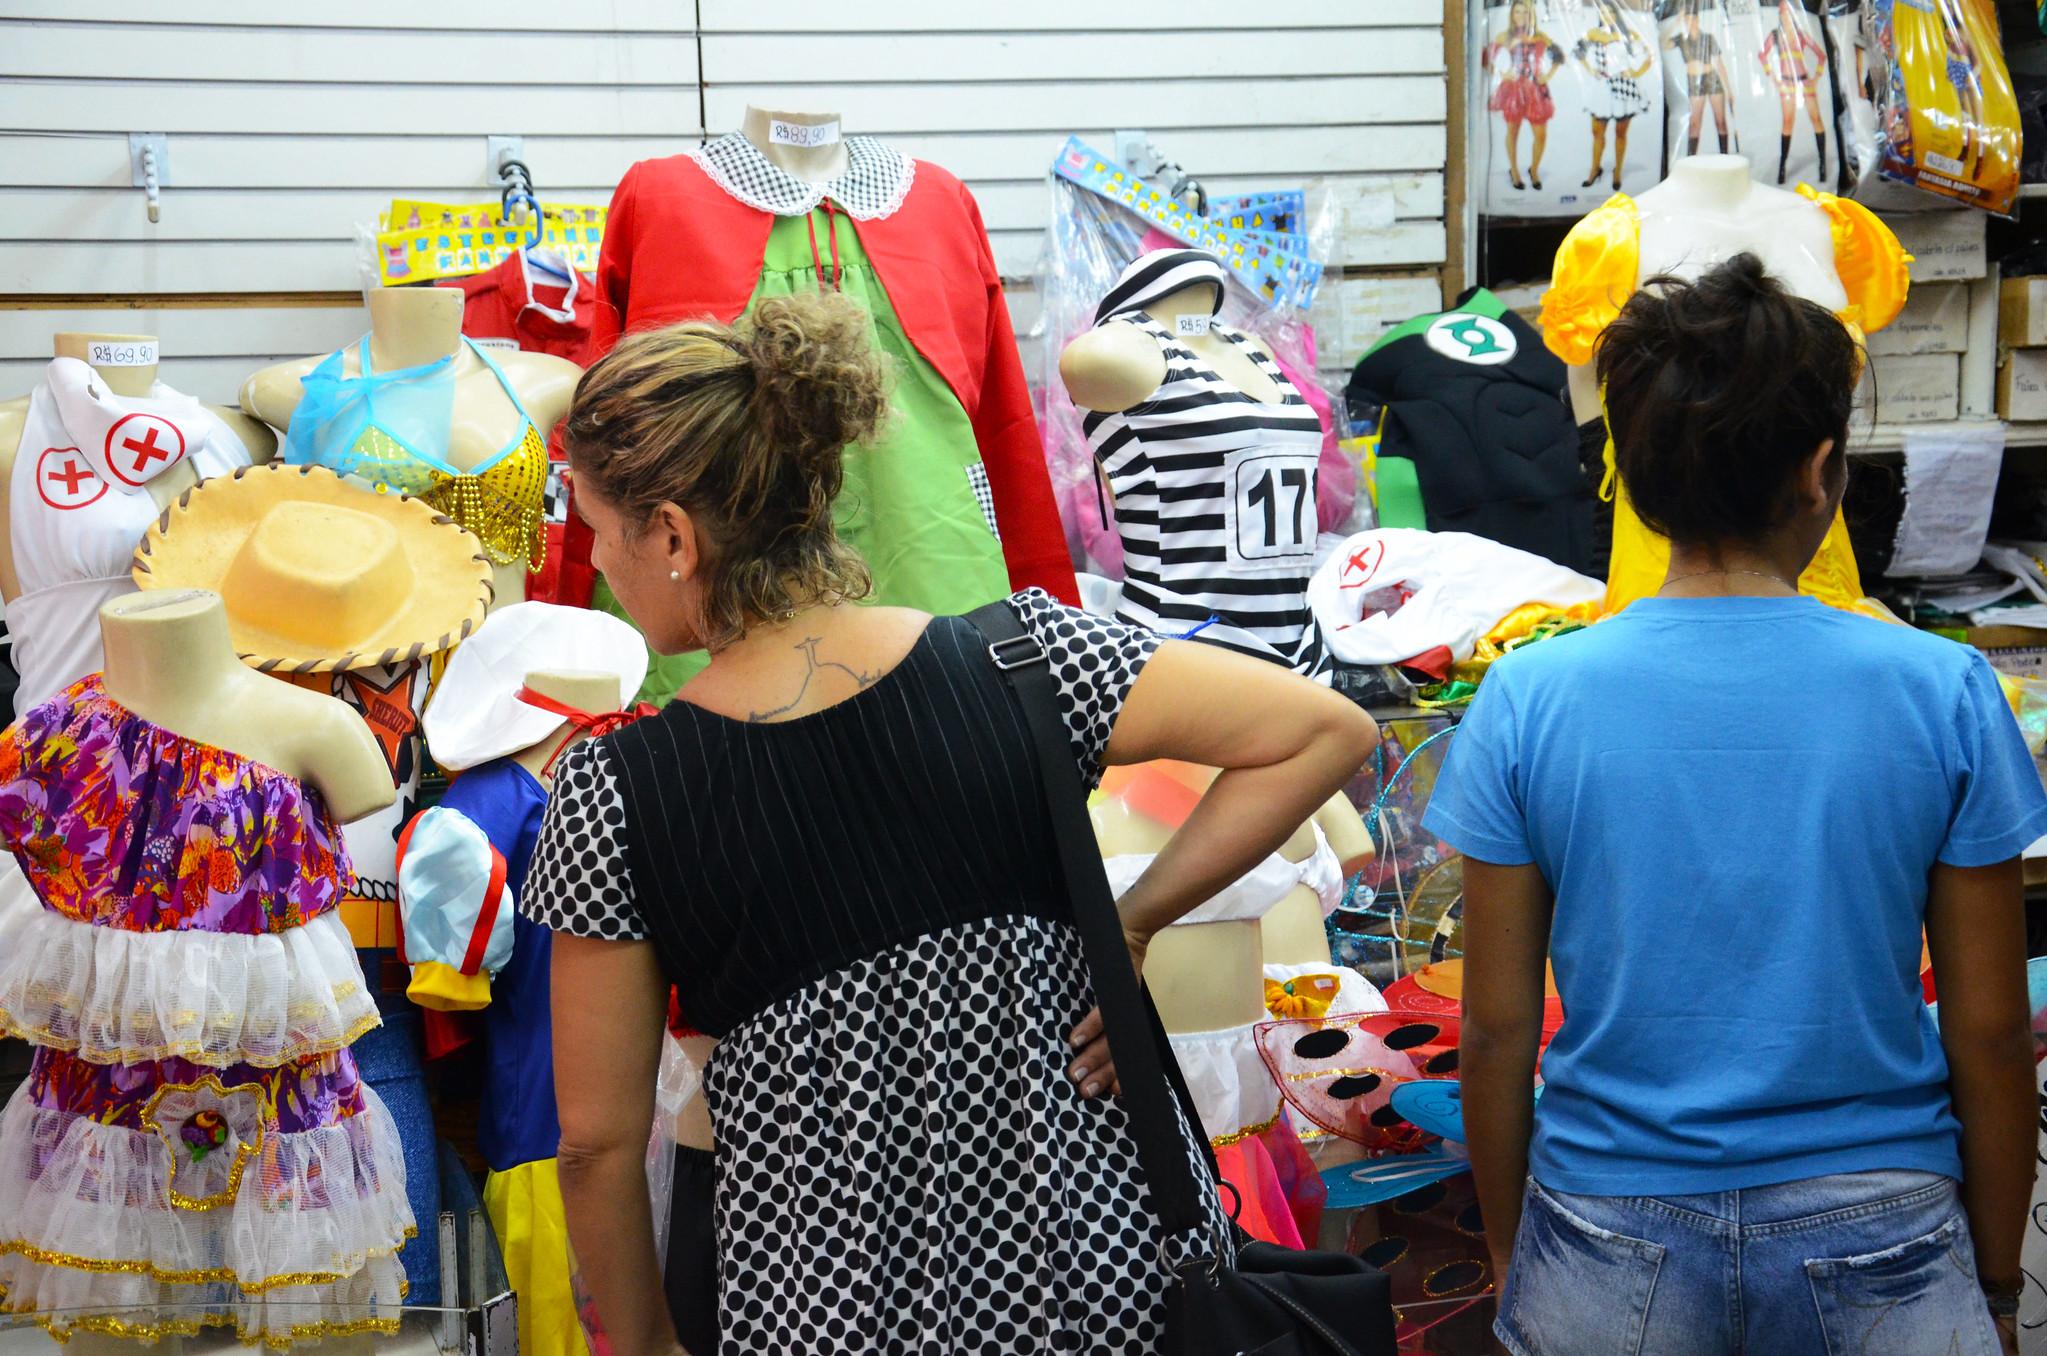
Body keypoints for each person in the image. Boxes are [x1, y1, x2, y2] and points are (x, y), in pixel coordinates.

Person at [524, 290, 1378, 1355]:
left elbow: (597, 1146)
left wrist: (648, 1345)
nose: (600, 564)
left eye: (598, 529)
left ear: (672, 536)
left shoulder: (615, 792)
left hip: (823, 1313)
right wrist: (1131, 922)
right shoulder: (1024, 660)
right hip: (1094, 1290)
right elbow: (1325, 729)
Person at [1429, 255, 2041, 1356]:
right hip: (1882, 1223)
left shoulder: (1528, 695)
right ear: (1818, 472)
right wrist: (1995, 1285)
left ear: (1629, 479)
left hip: (1606, 1223)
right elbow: (1991, 1035)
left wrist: (1519, 1252)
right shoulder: (1942, 688)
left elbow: (1496, 1030)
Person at [1574, 0, 1656, 189]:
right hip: (1602, 88)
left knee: (1620, 132)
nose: (1607, 15)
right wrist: (1590, 70)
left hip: (1623, 87)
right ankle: (1594, 169)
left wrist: (1636, 72)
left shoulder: (1628, 34)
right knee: (1597, 131)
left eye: (1611, 12)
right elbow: (1577, 52)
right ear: (1599, 14)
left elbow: (1649, 54)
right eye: (1603, 12)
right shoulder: (1593, 34)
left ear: (1616, 14)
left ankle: (1617, 171)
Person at [1487, 0, 1564, 190]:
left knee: (1541, 135)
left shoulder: (1540, 36)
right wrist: (1502, 74)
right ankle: (1514, 171)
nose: (1521, 16)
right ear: (1512, 15)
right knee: (1513, 131)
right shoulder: (1505, 36)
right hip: (1514, 89)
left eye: (1525, 12)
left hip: (1536, 90)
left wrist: (1547, 75)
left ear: (1531, 15)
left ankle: (1534, 170)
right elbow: (1485, 58)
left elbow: (1559, 56)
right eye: (1517, 12)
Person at [1759, 0, 1830, 183]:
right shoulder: (1775, 35)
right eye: (1783, 12)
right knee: (1788, 122)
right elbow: (1762, 55)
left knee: (1816, 120)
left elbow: (1821, 56)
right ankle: (1782, 166)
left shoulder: (1801, 35)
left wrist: (1816, 78)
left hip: (1804, 82)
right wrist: (1774, 78)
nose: (1786, 15)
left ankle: (1823, 164)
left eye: (1788, 12)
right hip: (1787, 85)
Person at [1668, 0, 1735, 157]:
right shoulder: (1681, 39)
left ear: (1697, 20)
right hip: (1694, 81)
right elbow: (1664, 43)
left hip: (1712, 79)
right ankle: (1691, 159)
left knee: (1720, 121)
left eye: (1692, 19)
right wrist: (1676, 23)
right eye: (1686, 19)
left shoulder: (1708, 38)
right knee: (1694, 123)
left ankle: (1725, 157)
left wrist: (1729, 90)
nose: (1690, 22)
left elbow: (1720, 64)